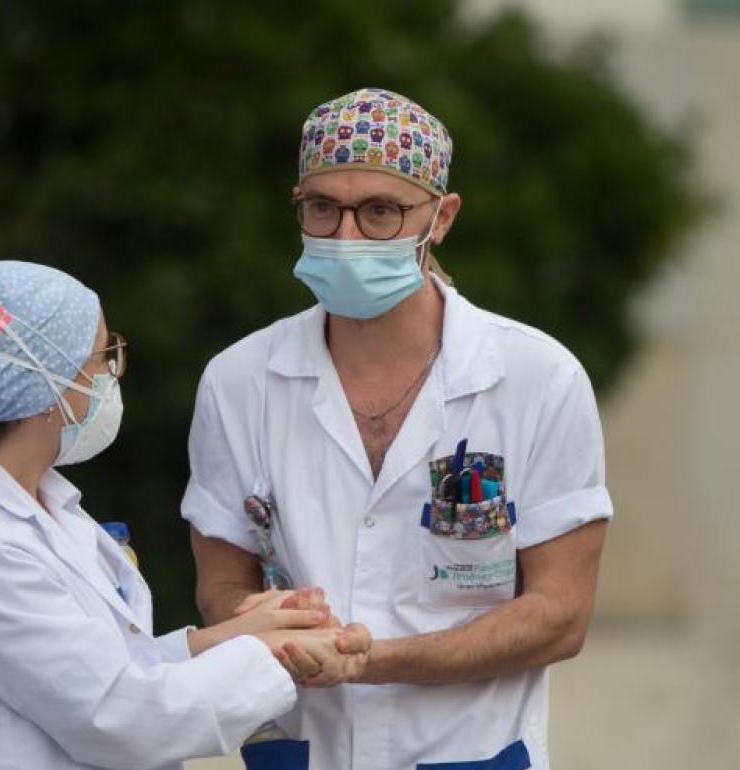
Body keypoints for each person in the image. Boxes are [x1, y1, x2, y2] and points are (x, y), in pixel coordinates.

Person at [184, 87, 613, 769]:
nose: (345, 236)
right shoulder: (239, 382)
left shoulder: (538, 379)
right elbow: (219, 583)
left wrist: (373, 662)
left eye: (380, 211)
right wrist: (275, 627)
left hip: (469, 752)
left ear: (440, 218)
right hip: (303, 749)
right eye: (322, 208)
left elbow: (561, 615)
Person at [0, 261, 372, 770]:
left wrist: (245, 632)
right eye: (102, 357)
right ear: (46, 386)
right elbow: (124, 720)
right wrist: (276, 657)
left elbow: (109, 669)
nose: (109, 376)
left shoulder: (42, 504)